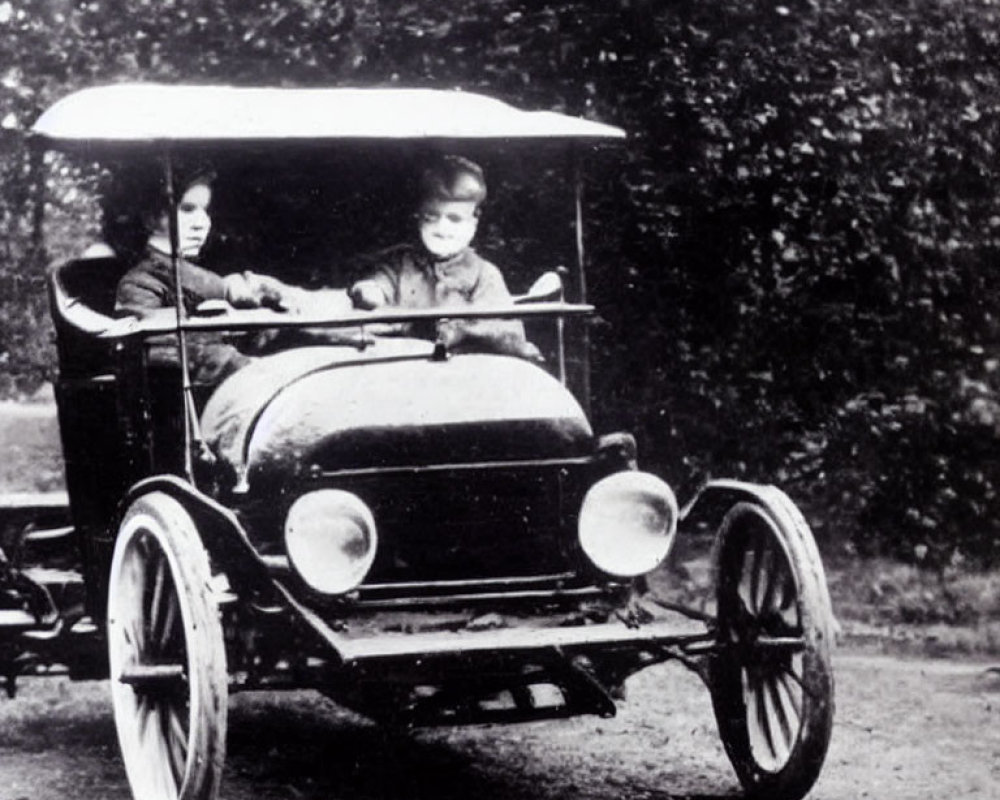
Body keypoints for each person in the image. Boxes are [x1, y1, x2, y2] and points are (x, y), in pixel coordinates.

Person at [107, 166, 302, 386]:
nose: (202, 223)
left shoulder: (199, 276)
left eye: (205, 211)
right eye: (187, 209)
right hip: (201, 402)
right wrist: (256, 371)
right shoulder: (140, 284)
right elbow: (161, 351)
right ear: (151, 219)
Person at [348, 155, 539, 359]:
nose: (442, 228)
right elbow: (378, 286)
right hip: (400, 365)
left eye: (455, 219)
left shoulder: (483, 274)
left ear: (474, 221)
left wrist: (460, 331)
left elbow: (505, 333)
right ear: (418, 216)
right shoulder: (400, 264)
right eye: (431, 216)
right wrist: (368, 291)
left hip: (461, 370)